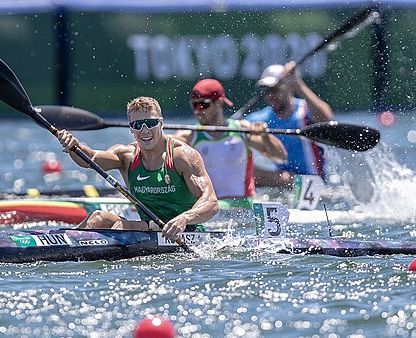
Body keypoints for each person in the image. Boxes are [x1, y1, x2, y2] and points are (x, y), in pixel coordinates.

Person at [56, 96, 219, 242]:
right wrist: (74, 147)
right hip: (149, 228)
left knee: (121, 227)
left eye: (150, 123)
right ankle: (63, 245)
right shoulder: (126, 156)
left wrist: (184, 219)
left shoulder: (181, 156)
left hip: (184, 232)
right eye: (138, 125)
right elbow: (90, 158)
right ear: (131, 128)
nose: (145, 130)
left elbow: (211, 203)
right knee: (98, 217)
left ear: (161, 123)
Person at [173, 79, 287, 209]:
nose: (197, 110)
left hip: (242, 206)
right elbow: (158, 147)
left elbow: (281, 157)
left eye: (203, 105)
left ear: (219, 103)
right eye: (194, 105)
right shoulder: (189, 136)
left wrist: (265, 136)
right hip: (210, 206)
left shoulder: (242, 131)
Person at [246, 61, 334, 188]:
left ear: (290, 87)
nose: (270, 95)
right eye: (265, 90)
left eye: (275, 89)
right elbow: (233, 130)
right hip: (283, 181)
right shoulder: (261, 118)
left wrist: (299, 84)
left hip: (313, 183)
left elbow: (328, 120)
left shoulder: (304, 111)